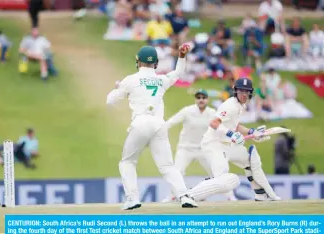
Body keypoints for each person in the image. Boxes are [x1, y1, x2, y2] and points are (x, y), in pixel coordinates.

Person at [106, 44, 198, 210]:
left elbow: (110, 101)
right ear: (155, 63)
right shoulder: (161, 80)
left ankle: (132, 198)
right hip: (158, 125)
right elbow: (177, 73)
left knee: (127, 162)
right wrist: (182, 56)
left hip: (140, 123)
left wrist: (117, 88)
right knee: (167, 166)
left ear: (138, 62)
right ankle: (184, 196)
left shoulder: (130, 80)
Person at [201, 78, 282, 201]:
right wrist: (231, 134)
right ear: (235, 91)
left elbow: (235, 126)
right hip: (213, 144)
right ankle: (191, 194)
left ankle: (260, 193)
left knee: (250, 162)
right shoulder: (230, 105)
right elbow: (213, 123)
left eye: (247, 91)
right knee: (222, 181)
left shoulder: (240, 105)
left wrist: (252, 132)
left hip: (228, 145)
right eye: (241, 91)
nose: (244, 94)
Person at [162, 89, 237, 202]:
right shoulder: (187, 111)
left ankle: (230, 196)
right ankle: (172, 196)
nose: (201, 100)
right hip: (186, 148)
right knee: (178, 171)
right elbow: (171, 122)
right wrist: (160, 130)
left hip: (204, 148)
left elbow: (223, 127)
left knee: (216, 172)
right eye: (198, 97)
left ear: (207, 99)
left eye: (203, 98)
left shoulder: (212, 113)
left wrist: (232, 136)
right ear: (195, 99)